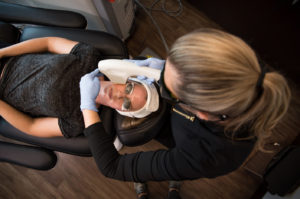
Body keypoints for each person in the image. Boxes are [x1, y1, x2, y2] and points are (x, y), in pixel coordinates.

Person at [80, 28, 291, 199]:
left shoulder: (204, 156)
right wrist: (160, 67)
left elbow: (112, 167)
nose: (160, 80)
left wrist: (87, 106)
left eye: (170, 89)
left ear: (203, 114)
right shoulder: (239, 71)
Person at [0, 37, 159, 139]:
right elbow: (48, 43)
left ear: (123, 111)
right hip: (7, 57)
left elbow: (31, 126)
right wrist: (2, 52)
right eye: (129, 89)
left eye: (126, 104)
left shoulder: (78, 121)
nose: (120, 95)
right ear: (127, 80)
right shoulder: (89, 58)